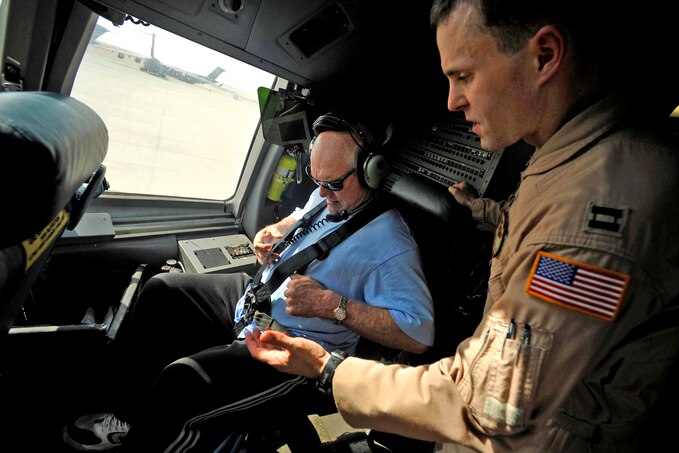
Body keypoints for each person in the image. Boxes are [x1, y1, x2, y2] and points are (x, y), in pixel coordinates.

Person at [246, 0, 679, 451]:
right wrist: (481, 211)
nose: (452, 100)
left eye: (464, 76)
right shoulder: (570, 157)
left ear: (544, 56)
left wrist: (328, 369)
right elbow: (534, 223)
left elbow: (493, 403)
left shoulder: (601, 199)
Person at [62, 113, 434, 452]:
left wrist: (330, 306)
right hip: (256, 301)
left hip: (297, 349)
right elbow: (300, 216)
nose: (322, 192)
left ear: (371, 171)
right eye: (317, 180)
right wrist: (275, 230)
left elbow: (418, 334)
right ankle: (127, 419)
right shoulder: (330, 198)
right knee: (163, 289)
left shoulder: (391, 244)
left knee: (183, 383)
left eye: (333, 183)